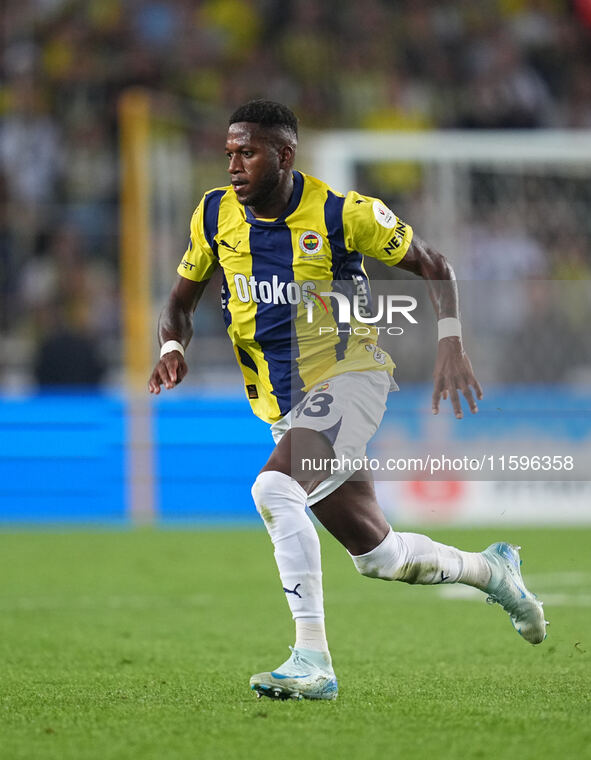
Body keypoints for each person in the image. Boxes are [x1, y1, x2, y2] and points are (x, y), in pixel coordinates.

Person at [148, 100, 547, 701]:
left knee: (273, 489)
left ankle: (312, 661)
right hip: (286, 409)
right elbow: (180, 300)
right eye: (229, 152)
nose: (234, 165)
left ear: (284, 155)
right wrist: (173, 345)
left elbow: (435, 265)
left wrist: (450, 342)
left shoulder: (344, 214)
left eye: (248, 152)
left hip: (350, 379)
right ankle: (495, 572)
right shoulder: (213, 214)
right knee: (379, 556)